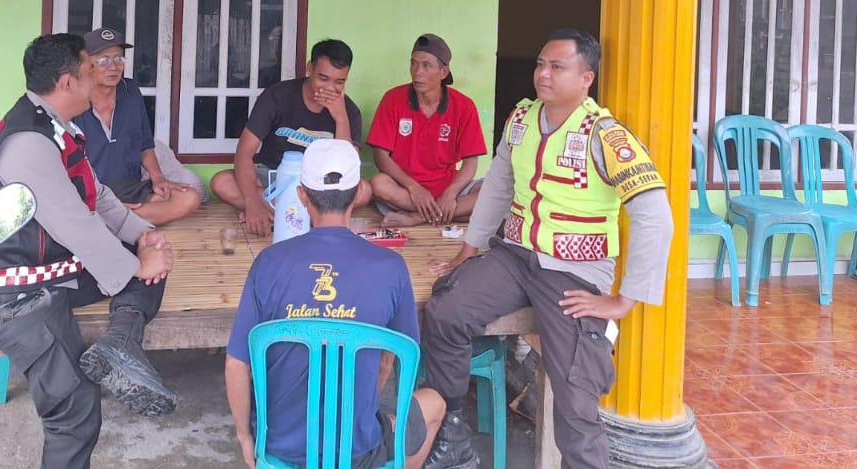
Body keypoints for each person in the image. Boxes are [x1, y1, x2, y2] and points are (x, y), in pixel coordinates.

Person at [420, 29, 674, 469]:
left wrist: (625, 299)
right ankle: (452, 431)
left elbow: (656, 215)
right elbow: (498, 185)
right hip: (515, 256)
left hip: (573, 271)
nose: (543, 74)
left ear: (586, 78)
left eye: (557, 67)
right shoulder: (521, 119)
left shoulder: (605, 136)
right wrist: (469, 249)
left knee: (576, 391)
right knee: (445, 309)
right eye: (541, 64)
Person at [0, 34, 179, 469]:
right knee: (74, 409)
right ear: (67, 82)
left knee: (153, 263)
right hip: (10, 289)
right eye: (91, 69)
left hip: (46, 270)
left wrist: (142, 234)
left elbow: (97, 194)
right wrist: (134, 264)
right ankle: (120, 344)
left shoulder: (56, 129)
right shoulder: (29, 141)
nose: (101, 76)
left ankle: (119, 343)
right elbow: (73, 221)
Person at [225, 138, 446, 469]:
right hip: (358, 452)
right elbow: (391, 360)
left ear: (302, 195)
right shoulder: (391, 268)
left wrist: (245, 437)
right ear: (357, 195)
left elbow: (236, 365)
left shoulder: (268, 263)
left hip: (280, 450)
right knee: (435, 404)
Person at [211, 39, 372, 236]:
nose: (330, 88)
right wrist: (252, 203)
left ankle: (280, 215)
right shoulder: (276, 96)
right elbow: (244, 152)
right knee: (222, 182)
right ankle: (310, 218)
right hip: (273, 179)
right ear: (310, 69)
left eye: (339, 82)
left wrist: (340, 118)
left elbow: (346, 169)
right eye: (323, 78)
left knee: (364, 191)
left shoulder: (350, 112)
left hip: (320, 186)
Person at [73, 27, 203, 225]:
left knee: (189, 198)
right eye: (104, 60)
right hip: (89, 191)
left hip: (128, 188)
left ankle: (108, 220)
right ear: (86, 65)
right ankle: (116, 218)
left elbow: (144, 144)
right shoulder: (75, 99)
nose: (114, 67)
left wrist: (158, 178)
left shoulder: (131, 91)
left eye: (119, 59)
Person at [368, 34, 488, 228]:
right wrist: (413, 187)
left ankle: (417, 218)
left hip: (448, 187)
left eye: (426, 66)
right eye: (413, 64)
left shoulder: (464, 106)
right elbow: (380, 155)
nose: (417, 72)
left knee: (492, 191)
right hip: (405, 191)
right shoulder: (392, 99)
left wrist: (450, 193)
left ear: (443, 72)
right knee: (378, 184)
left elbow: (471, 162)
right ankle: (447, 214)